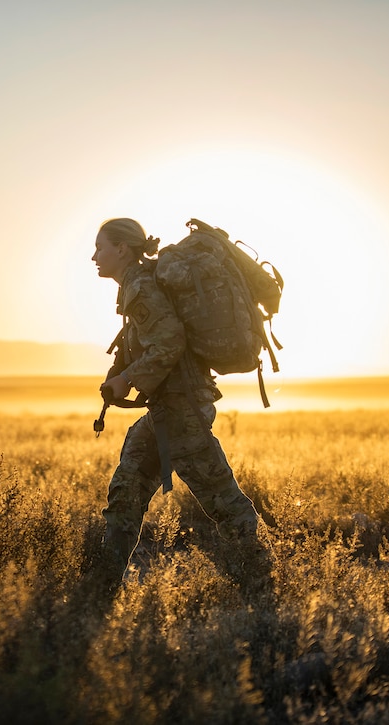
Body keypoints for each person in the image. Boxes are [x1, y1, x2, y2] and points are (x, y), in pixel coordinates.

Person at [92, 217, 271, 593]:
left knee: (223, 501)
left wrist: (127, 379)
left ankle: (263, 580)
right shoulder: (138, 284)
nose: (95, 256)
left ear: (122, 249)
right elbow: (155, 340)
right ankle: (99, 585)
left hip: (181, 412)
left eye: (101, 247)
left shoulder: (140, 286)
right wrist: (122, 370)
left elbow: (169, 341)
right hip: (169, 409)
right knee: (127, 488)